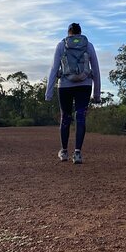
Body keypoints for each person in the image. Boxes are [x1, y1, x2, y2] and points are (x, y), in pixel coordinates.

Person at [45, 23, 101, 164]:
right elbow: (95, 69)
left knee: (65, 117)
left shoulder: (61, 45)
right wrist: (97, 94)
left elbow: (53, 69)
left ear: (68, 32)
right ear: (80, 32)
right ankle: (77, 153)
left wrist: (49, 93)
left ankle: (64, 152)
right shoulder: (88, 45)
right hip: (85, 85)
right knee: (80, 116)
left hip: (65, 86)